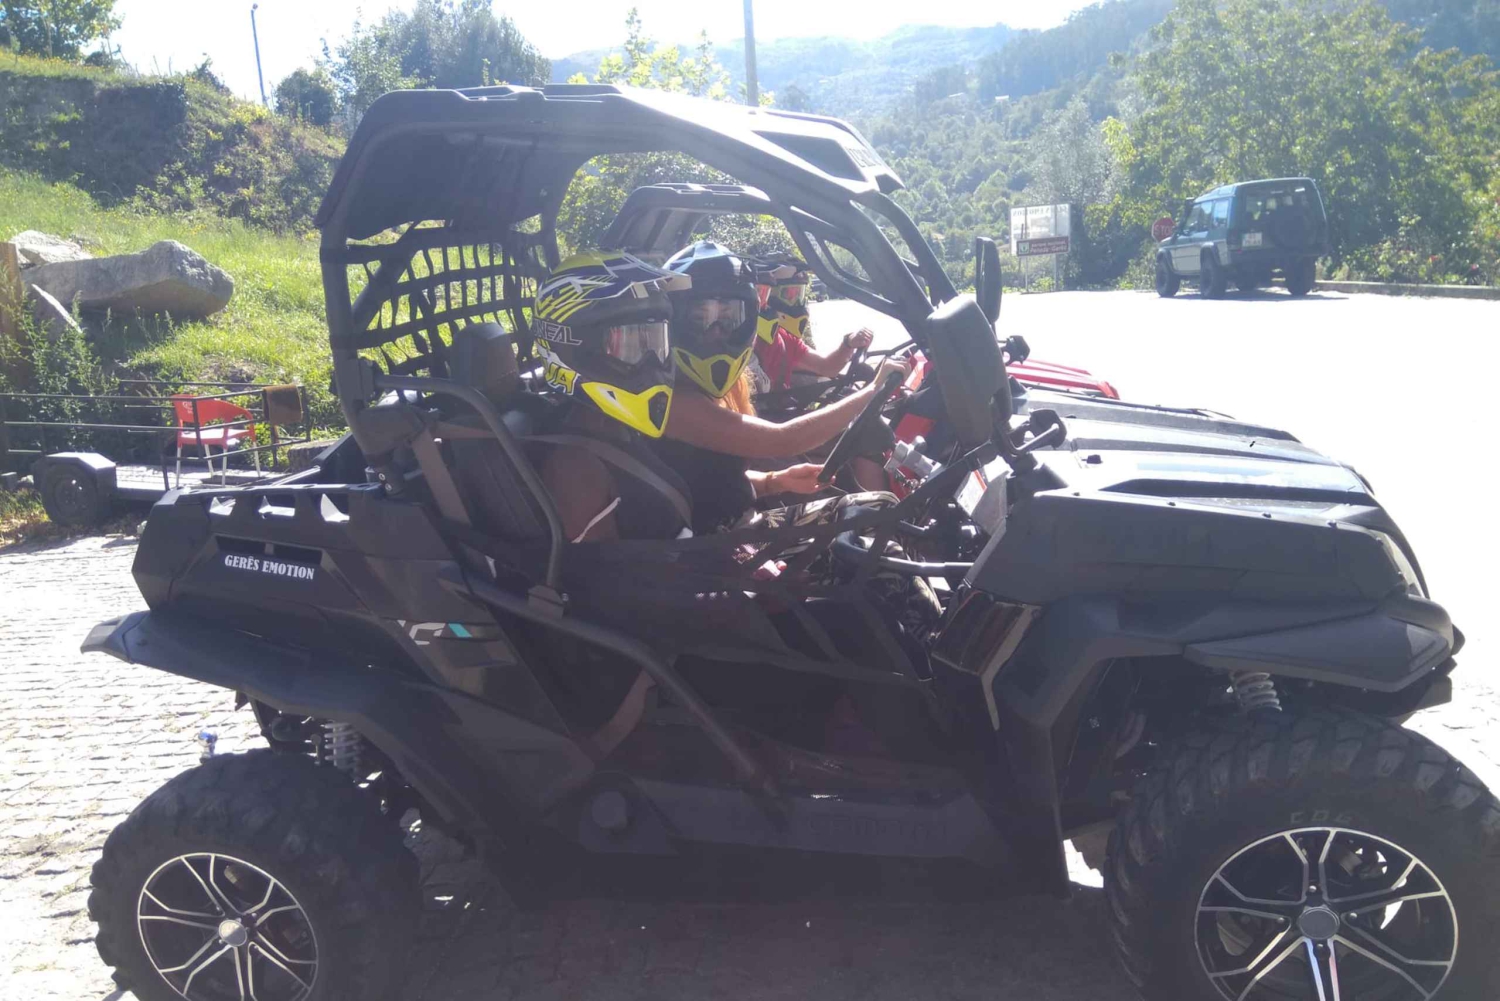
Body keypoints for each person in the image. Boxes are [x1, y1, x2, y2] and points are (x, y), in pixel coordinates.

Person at [650, 241, 913, 533]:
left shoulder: (711, 393)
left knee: (874, 513)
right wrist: (873, 390)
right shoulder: (671, 402)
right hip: (722, 548)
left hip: (736, 531)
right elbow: (781, 440)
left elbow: (715, 481)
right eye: (700, 319)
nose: (716, 332)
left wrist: (775, 480)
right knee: (875, 513)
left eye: (728, 319)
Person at [748, 257, 874, 395]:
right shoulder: (738, 341)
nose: (797, 304)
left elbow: (826, 367)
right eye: (790, 296)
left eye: (799, 295)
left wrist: (849, 343)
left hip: (778, 412)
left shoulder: (784, 339)